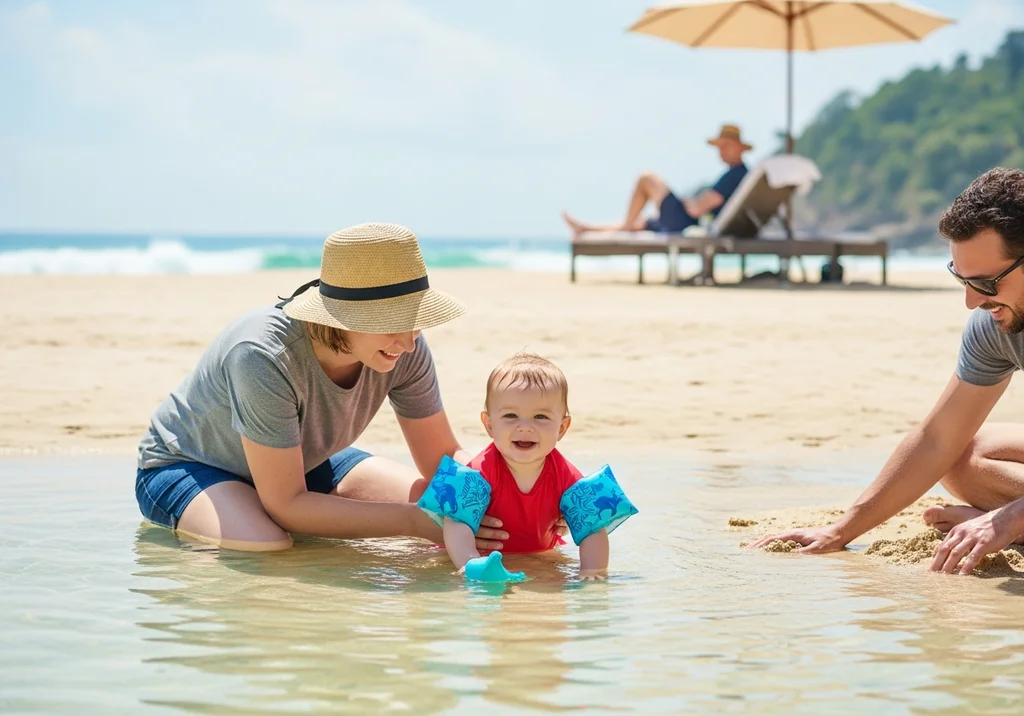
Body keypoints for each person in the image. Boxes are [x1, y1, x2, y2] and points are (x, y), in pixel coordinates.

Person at [134, 222, 513, 552]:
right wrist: (410, 523)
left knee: (447, 502)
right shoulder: (262, 354)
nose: (409, 342)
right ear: (341, 316)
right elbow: (286, 504)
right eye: (393, 322)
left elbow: (442, 460)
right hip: (189, 464)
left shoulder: (403, 347)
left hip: (302, 461)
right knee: (266, 544)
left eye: (414, 320)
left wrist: (517, 486)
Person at [751, 167, 1024, 576]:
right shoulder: (995, 326)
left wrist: (1009, 518)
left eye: (985, 283)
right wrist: (840, 531)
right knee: (965, 453)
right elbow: (936, 439)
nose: (971, 302)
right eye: (961, 279)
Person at [416, 353, 637, 581]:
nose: (525, 427)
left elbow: (593, 529)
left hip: (541, 555)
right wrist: (469, 563)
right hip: (477, 555)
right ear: (489, 425)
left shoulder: (567, 477)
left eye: (540, 416)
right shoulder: (480, 471)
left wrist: (592, 572)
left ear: (562, 428)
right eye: (511, 415)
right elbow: (456, 522)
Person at [561, 123, 751, 237]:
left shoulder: (734, 174)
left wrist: (687, 201)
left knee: (646, 178)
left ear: (740, 148)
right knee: (642, 221)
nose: (721, 150)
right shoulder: (739, 174)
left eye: (726, 146)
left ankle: (624, 227)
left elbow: (697, 208)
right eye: (719, 146)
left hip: (687, 222)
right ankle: (587, 229)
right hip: (691, 222)